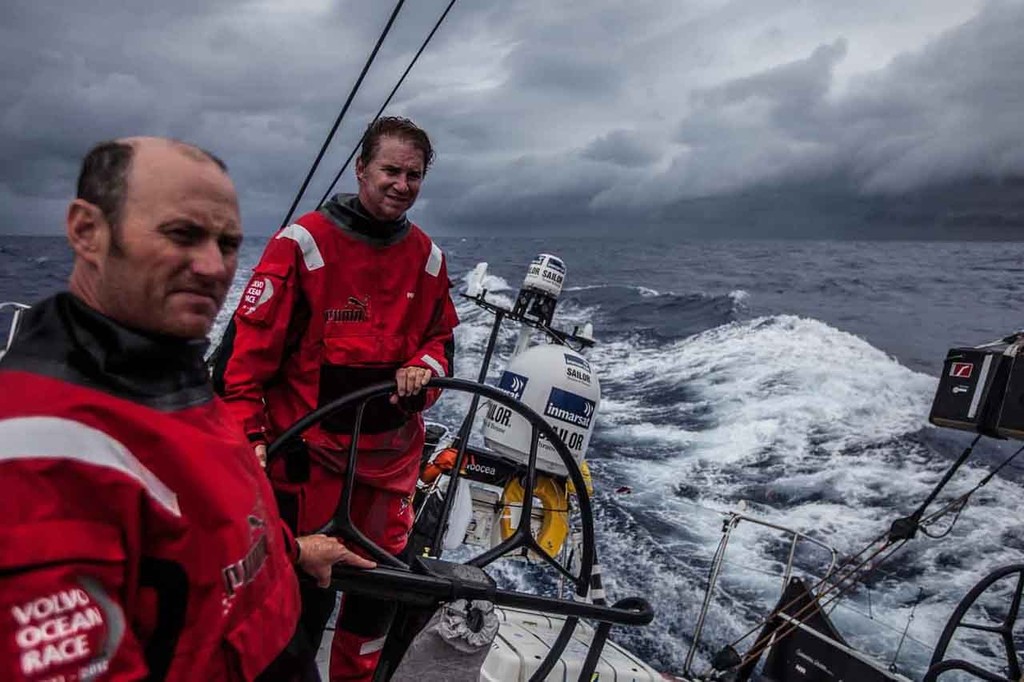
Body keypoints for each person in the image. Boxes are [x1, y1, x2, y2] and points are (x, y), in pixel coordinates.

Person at [0, 137, 374, 681]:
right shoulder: (38, 456)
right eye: (183, 235)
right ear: (86, 231)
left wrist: (290, 551)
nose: (213, 266)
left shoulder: (164, 372)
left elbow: (201, 529)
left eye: (228, 243)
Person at [214, 117, 459, 680]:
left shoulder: (429, 260)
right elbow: (243, 366)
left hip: (388, 471)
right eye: (391, 170)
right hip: (306, 471)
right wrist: (250, 440)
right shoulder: (301, 245)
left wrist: (424, 364)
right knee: (300, 602)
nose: (401, 184)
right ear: (361, 169)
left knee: (376, 600)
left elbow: (441, 340)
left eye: (413, 175)